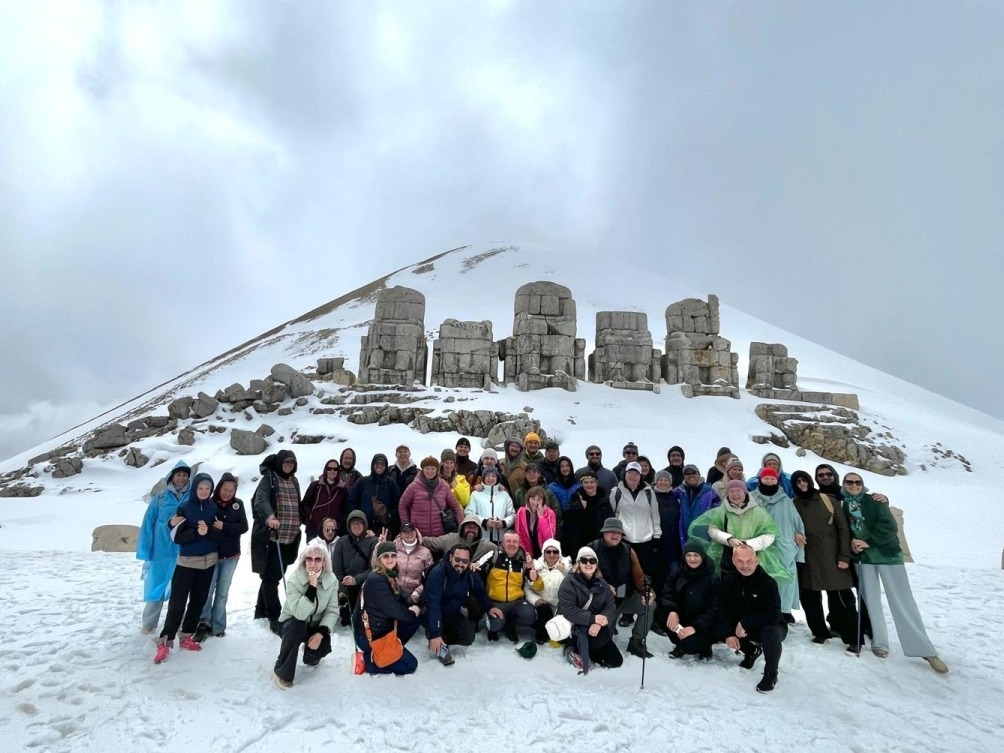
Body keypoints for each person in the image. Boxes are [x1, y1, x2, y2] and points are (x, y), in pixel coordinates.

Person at [842, 472, 948, 673]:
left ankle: (925, 649)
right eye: (849, 482)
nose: (854, 485)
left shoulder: (874, 500)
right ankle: (880, 643)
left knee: (902, 601)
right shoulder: (843, 504)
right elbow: (845, 530)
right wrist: (852, 545)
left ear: (862, 485)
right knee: (871, 602)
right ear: (844, 484)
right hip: (863, 559)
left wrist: (868, 541)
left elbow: (889, 526)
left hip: (887, 556)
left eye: (857, 482)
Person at [154, 473, 220, 663]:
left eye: (207, 489)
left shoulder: (213, 507)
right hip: (187, 562)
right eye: (201, 488)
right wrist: (195, 532)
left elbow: (218, 535)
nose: (204, 491)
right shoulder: (185, 507)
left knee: (198, 601)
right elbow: (176, 535)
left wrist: (210, 531)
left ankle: (186, 637)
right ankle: (165, 642)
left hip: (208, 561)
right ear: (195, 488)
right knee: (177, 602)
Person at [790, 470, 859, 649]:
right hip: (806, 556)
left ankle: (853, 637)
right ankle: (819, 632)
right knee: (810, 599)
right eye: (798, 482)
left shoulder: (828, 500)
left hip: (831, 555)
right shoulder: (793, 504)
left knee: (841, 598)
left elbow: (843, 529)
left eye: (805, 481)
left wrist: (844, 556)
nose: (802, 485)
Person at [688, 480, 791, 591]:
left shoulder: (759, 513)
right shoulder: (721, 511)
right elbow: (713, 530)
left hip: (754, 556)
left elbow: (770, 534)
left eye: (738, 491)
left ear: (745, 492)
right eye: (731, 491)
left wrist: (749, 544)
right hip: (727, 556)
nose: (735, 494)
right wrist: (728, 539)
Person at [271, 538, 340, 689]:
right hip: (291, 623)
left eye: (318, 559)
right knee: (297, 627)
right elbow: (300, 614)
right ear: (303, 561)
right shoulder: (294, 580)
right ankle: (281, 670)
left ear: (324, 562)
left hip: (315, 624)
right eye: (309, 559)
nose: (313, 563)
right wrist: (312, 586)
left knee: (319, 649)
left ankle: (310, 655)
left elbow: (332, 611)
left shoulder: (332, 580)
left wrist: (321, 633)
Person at [720, 545, 788, 693]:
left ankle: (771, 673)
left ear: (757, 560)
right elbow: (723, 610)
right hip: (740, 626)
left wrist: (746, 623)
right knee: (717, 624)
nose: (745, 565)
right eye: (740, 561)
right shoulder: (728, 580)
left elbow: (774, 614)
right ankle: (751, 651)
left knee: (771, 631)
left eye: (749, 561)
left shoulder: (768, 583)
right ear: (733, 561)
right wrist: (727, 634)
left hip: (768, 625)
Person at [422, 542, 501, 664]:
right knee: (436, 631)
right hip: (432, 612)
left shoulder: (469, 574)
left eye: (465, 561)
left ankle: (444, 637)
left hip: (453, 612)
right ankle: (437, 640)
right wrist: (436, 633)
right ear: (450, 557)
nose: (460, 564)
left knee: (468, 637)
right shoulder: (438, 573)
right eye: (457, 559)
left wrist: (489, 607)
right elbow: (433, 604)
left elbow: (480, 591)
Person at [251, 450, 302, 634]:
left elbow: (297, 504)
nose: (288, 465)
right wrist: (270, 516)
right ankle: (275, 616)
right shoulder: (270, 479)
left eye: (292, 462)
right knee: (271, 579)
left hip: (290, 538)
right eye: (286, 462)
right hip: (274, 537)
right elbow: (261, 499)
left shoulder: (294, 481)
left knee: (273, 576)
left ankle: (260, 610)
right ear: (279, 463)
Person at [353, 541, 423, 676]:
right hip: (370, 637)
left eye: (393, 555)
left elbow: (401, 594)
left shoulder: (389, 574)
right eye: (386, 556)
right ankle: (371, 661)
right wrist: (411, 613)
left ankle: (392, 649)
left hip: (382, 628)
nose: (390, 559)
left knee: (416, 616)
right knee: (410, 665)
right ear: (379, 559)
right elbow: (392, 609)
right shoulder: (377, 580)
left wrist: (412, 604)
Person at [137, 461, 190, 634]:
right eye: (178, 474)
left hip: (184, 550)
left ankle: (179, 622)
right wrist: (146, 550)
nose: (181, 478)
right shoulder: (160, 498)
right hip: (161, 551)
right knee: (156, 587)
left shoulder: (193, 497)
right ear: (172, 476)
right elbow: (148, 524)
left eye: (184, 474)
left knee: (181, 589)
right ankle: (149, 624)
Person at [589, 518, 654, 659]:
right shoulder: (592, 549)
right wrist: (602, 585)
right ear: (604, 532)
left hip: (624, 596)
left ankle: (636, 641)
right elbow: (580, 578)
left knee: (650, 605)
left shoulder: (628, 550)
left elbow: (638, 576)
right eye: (611, 531)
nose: (615, 535)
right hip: (601, 604)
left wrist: (647, 592)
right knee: (602, 643)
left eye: (619, 532)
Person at [195, 472, 248, 640]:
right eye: (225, 489)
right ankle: (203, 621)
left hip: (231, 556)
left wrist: (225, 526)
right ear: (219, 488)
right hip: (212, 554)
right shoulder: (210, 504)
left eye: (231, 490)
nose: (227, 493)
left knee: (223, 592)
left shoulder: (238, 505)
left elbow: (244, 527)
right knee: (208, 590)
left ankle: (218, 625)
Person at [748, 467, 804, 622]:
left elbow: (798, 526)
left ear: (777, 480)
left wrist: (800, 554)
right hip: (758, 548)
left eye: (772, 479)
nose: (769, 481)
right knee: (758, 583)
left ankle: (779, 616)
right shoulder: (750, 498)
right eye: (766, 478)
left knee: (782, 584)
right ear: (760, 479)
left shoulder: (786, 500)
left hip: (782, 550)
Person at [557, 546, 622, 672]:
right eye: (584, 560)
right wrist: (592, 619)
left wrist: (598, 623)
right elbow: (568, 610)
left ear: (596, 564)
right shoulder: (568, 583)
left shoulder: (602, 583)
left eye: (592, 561)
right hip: (575, 626)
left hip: (595, 627)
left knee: (615, 661)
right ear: (578, 563)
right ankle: (572, 648)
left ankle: (584, 650)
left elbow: (610, 606)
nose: (588, 564)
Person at [604, 461, 661, 591]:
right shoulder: (616, 492)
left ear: (641, 476)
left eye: (636, 473)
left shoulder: (648, 492)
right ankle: (622, 599)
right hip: (625, 540)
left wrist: (657, 535)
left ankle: (646, 599)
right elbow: (612, 516)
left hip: (645, 539)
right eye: (630, 473)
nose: (633, 476)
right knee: (623, 573)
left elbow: (655, 514)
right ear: (625, 474)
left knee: (645, 572)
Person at [657, 540, 718, 659]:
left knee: (690, 645)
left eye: (696, 555)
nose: (692, 559)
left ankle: (705, 645)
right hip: (683, 617)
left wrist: (695, 627)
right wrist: (672, 611)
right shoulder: (678, 573)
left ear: (703, 556)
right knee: (660, 613)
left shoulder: (712, 579)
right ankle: (679, 643)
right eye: (688, 555)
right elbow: (666, 593)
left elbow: (713, 609)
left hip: (703, 625)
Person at [485, 531, 538, 642]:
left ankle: (510, 624)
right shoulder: (493, 555)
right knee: (494, 625)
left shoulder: (524, 560)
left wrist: (536, 578)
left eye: (515, 541)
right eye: (508, 541)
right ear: (502, 543)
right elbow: (476, 570)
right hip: (495, 602)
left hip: (516, 602)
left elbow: (537, 585)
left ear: (519, 544)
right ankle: (496, 626)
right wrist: (486, 604)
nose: (511, 544)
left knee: (530, 616)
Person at [331, 510, 378, 625]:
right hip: (346, 584)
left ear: (365, 524)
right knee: (347, 619)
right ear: (349, 525)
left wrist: (356, 579)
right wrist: (342, 588)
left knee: (363, 618)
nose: (356, 526)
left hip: (365, 584)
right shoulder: (342, 541)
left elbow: (374, 568)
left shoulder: (373, 541)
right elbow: (337, 569)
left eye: (359, 523)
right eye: (353, 523)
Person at [524, 538, 571, 645]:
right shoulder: (535, 567)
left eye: (555, 552)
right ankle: (541, 632)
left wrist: (564, 570)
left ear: (559, 554)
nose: (551, 554)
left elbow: (573, 581)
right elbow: (527, 588)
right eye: (548, 551)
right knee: (543, 611)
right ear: (543, 553)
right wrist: (535, 600)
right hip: (541, 605)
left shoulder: (566, 567)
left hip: (559, 607)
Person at [346, 453, 402, 536]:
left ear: (386, 466)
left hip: (384, 528)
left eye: (382, 464)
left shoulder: (391, 483)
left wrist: (389, 515)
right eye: (377, 464)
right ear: (373, 465)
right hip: (363, 527)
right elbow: (350, 501)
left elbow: (399, 504)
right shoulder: (363, 482)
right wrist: (358, 516)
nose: (379, 466)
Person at [672, 465, 720, 556]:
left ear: (699, 474)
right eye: (687, 473)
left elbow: (718, 514)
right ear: (684, 476)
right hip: (683, 535)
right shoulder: (678, 492)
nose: (691, 475)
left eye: (694, 473)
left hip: (704, 536)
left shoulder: (710, 492)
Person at [560, 469, 607, 558]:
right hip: (578, 544)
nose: (589, 485)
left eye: (591, 482)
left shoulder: (604, 500)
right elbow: (565, 517)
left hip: (598, 543)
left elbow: (609, 520)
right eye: (586, 482)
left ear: (596, 483)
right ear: (582, 484)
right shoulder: (575, 498)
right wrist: (578, 506)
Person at [300, 458, 348, 542]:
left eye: (335, 469)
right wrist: (311, 517)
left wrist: (338, 522)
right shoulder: (316, 486)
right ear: (325, 470)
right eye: (329, 469)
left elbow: (345, 509)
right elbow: (305, 504)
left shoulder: (343, 489)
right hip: (314, 530)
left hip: (332, 531)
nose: (332, 471)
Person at [466, 467, 515, 546]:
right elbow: (468, 512)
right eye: (487, 476)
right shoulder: (476, 494)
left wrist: (504, 522)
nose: (490, 478)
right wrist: (484, 522)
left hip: (500, 539)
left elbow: (512, 515)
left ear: (497, 478)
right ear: (483, 478)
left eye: (493, 476)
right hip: (481, 538)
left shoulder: (504, 495)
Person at [653, 470, 682, 597]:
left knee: (674, 574)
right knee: (659, 575)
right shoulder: (651, 496)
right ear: (656, 481)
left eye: (666, 480)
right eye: (660, 480)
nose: (663, 482)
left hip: (674, 542)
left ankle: (675, 600)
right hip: (658, 542)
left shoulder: (676, 496)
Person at [389, 522, 433, 603]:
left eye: (411, 531)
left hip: (416, 596)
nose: (409, 534)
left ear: (416, 532)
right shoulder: (393, 548)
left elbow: (430, 577)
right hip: (395, 592)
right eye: (405, 532)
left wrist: (417, 592)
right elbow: (378, 566)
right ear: (401, 535)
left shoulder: (425, 552)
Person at [514, 486, 558, 559]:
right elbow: (518, 534)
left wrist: (541, 517)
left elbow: (549, 537)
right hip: (527, 553)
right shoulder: (521, 512)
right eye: (533, 499)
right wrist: (526, 552)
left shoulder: (550, 513)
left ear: (543, 500)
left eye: (539, 499)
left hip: (543, 553)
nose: (535, 502)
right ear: (528, 499)